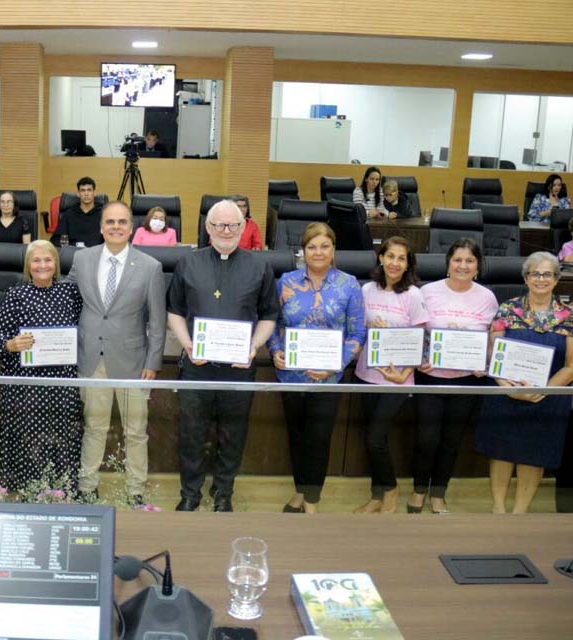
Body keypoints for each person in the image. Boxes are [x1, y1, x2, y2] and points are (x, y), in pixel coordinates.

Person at [168, 200, 279, 512]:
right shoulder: (188, 263)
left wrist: (254, 346)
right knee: (191, 433)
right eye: (220, 225)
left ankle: (223, 494)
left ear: (244, 227)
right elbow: (174, 312)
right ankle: (190, 493)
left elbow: (269, 316)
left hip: (238, 369)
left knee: (232, 434)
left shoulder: (260, 266)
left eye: (234, 225)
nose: (227, 230)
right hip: (196, 367)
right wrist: (189, 344)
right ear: (208, 228)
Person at [67, 201, 166, 504]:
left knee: (136, 432)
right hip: (91, 358)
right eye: (110, 222)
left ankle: (135, 490)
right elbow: (66, 300)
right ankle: (86, 486)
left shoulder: (150, 266)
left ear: (131, 227)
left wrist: (153, 362)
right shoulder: (82, 259)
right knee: (94, 428)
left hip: (134, 363)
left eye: (122, 222)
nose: (116, 227)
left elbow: (158, 320)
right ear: (101, 227)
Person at [269, 222, 365, 513]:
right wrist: (274, 351)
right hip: (291, 376)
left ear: (334, 249)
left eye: (324, 246)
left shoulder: (348, 285)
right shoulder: (285, 282)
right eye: (312, 246)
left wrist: (333, 365)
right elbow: (273, 323)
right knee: (297, 438)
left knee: (319, 440)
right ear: (303, 250)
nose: (318, 252)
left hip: (327, 378)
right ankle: (300, 491)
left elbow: (357, 334)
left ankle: (311, 500)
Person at [476, 252, 573, 513]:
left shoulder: (569, 315)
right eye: (535, 274)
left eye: (547, 274)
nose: (541, 279)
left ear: (556, 279)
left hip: (548, 396)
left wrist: (541, 391)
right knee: (501, 451)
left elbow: (571, 366)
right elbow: (492, 354)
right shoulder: (507, 309)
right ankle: (498, 509)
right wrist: (508, 389)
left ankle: (520, 513)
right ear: (526, 278)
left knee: (534, 454)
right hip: (505, 392)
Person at [413, 238, 498, 514]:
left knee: (451, 440)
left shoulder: (487, 297)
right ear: (448, 263)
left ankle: (438, 493)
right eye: (458, 260)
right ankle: (417, 490)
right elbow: (414, 332)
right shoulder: (427, 292)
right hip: (431, 377)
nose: (463, 265)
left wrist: (484, 364)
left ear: (478, 266)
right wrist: (419, 359)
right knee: (427, 439)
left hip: (467, 380)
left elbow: (492, 342)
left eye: (470, 260)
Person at [0, 240, 84, 495]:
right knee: (26, 440)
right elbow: (0, 342)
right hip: (25, 384)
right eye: (36, 260)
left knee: (63, 438)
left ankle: (61, 489)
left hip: (62, 383)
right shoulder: (16, 294)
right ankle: (27, 489)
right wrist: (11, 344)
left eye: (48, 260)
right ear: (28, 265)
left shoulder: (70, 293)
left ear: (56, 263)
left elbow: (84, 331)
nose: (42, 265)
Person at [352, 237, 429, 514]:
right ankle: (376, 496)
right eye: (390, 256)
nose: (395, 263)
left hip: (397, 380)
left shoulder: (413, 295)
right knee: (373, 440)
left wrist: (405, 373)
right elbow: (358, 327)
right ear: (381, 258)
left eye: (401, 258)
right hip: (366, 374)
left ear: (408, 264)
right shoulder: (367, 290)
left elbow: (420, 337)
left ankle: (392, 490)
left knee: (376, 437)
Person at [51, 177, 103, 247]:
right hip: (73, 253)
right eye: (83, 190)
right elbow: (56, 240)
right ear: (78, 194)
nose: (86, 194)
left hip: (97, 254)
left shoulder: (104, 214)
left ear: (94, 193)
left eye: (89, 190)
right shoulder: (69, 214)